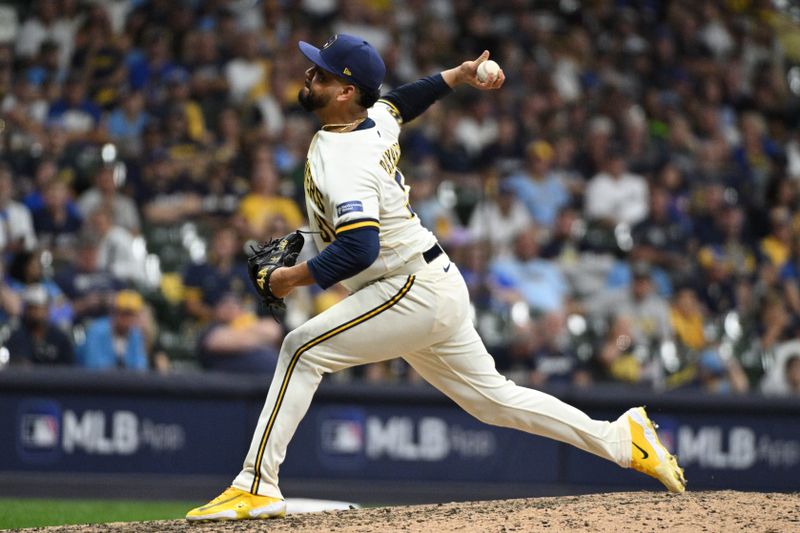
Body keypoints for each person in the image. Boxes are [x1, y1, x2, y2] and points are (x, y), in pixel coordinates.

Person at [187, 34, 685, 522]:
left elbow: (361, 248)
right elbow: (402, 101)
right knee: (494, 401)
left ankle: (255, 484)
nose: (307, 74)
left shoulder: (346, 160)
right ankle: (622, 439)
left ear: (344, 91)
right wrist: (458, 75)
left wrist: (287, 281)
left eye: (319, 72)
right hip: (427, 282)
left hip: (408, 288)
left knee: (301, 347)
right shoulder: (371, 121)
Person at [75, 289, 148, 371]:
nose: (128, 319)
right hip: (89, 381)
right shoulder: (97, 331)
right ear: (114, 313)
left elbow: (140, 367)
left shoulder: (135, 334)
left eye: (132, 315)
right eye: (124, 314)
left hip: (123, 381)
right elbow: (93, 366)